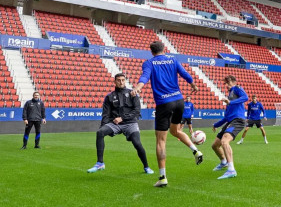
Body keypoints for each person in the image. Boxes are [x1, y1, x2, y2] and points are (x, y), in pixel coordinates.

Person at [131, 41, 201, 187]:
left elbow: (145, 77)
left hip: (164, 103)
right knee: (175, 131)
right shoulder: (173, 60)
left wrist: (138, 87)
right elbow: (185, 74)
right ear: (164, 49)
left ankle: (162, 177)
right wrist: (193, 84)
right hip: (179, 101)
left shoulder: (149, 63)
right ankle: (196, 151)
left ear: (151, 52)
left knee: (161, 141)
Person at [87, 73, 154, 175]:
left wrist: (122, 118)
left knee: (137, 143)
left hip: (130, 123)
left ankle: (146, 167)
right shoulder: (109, 97)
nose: (121, 82)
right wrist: (103, 127)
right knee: (100, 132)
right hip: (115, 124)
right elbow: (105, 114)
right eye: (118, 80)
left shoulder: (133, 93)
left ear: (125, 81)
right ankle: (100, 163)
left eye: (123, 80)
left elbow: (136, 112)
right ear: (115, 82)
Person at [211, 75, 248, 180]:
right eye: (225, 83)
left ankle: (231, 170)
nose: (226, 85)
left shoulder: (237, 88)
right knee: (215, 145)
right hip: (230, 122)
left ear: (234, 82)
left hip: (238, 120)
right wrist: (216, 125)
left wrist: (230, 102)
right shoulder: (229, 96)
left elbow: (246, 97)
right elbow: (226, 117)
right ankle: (223, 162)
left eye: (228, 83)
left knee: (224, 141)